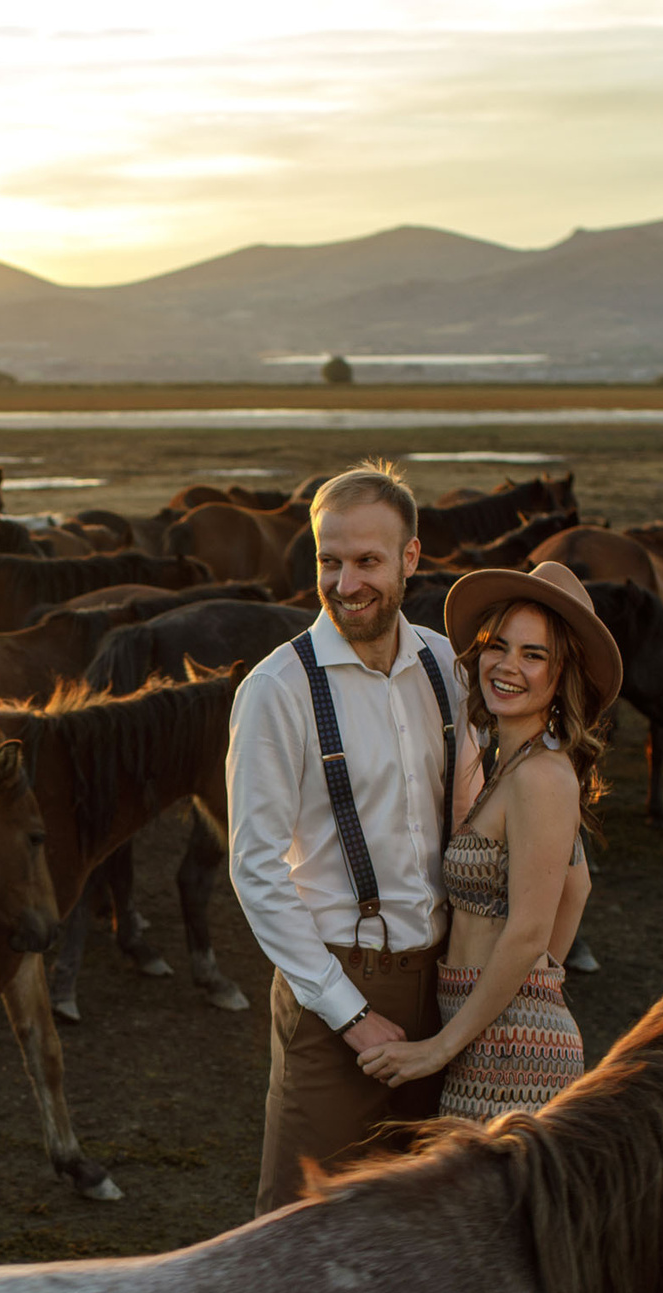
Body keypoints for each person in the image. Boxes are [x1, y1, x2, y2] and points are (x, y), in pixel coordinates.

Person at [225, 461, 465, 1215]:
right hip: (334, 989)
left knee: (423, 1222)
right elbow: (255, 871)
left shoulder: (445, 665)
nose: (345, 582)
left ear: (411, 559)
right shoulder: (277, 689)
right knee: (297, 1232)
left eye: (367, 561)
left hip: (444, 984)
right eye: (330, 561)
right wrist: (349, 1013)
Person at [356, 562, 620, 1117]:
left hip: (509, 1058)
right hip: (493, 1032)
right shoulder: (515, 764)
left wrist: (445, 1046)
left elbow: (528, 931)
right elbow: (579, 887)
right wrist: (532, 985)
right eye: (498, 646)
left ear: (561, 673)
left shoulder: (542, 777)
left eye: (534, 655)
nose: (506, 666)